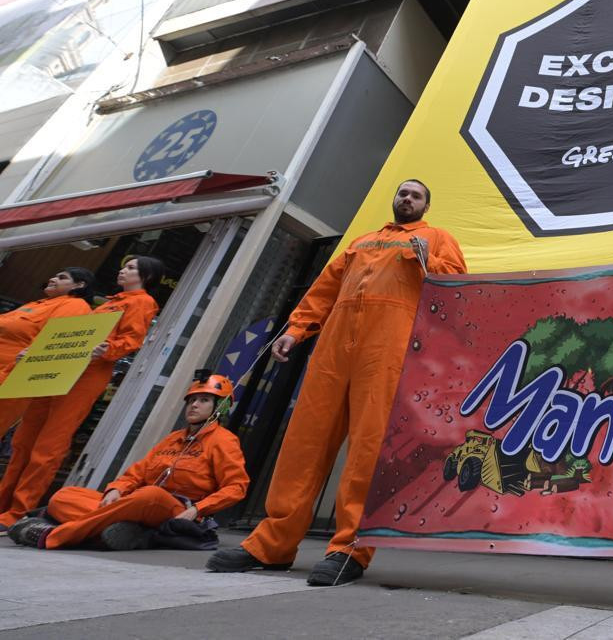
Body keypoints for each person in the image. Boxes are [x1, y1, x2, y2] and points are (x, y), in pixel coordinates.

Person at [207, 179, 466, 585]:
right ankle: (271, 544)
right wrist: (296, 329)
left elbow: (455, 287)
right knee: (303, 443)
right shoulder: (360, 242)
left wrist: (427, 261)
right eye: (403, 193)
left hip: (388, 351)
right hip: (333, 349)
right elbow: (323, 290)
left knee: (368, 448)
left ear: (426, 205)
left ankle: (350, 550)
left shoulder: (436, 238)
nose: (407, 199)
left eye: (416, 195)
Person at [0, 256, 162, 529]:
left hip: (86, 376)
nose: (124, 270)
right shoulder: (108, 303)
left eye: (132, 268)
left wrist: (107, 350)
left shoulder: (141, 302)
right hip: (59, 370)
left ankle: (17, 511)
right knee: (23, 441)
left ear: (146, 276)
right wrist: (37, 352)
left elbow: (132, 340)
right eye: (125, 266)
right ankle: (3, 503)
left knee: (47, 447)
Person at [7, 369, 248, 551]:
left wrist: (197, 510)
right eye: (192, 400)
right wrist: (115, 488)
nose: (194, 405)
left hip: (176, 510)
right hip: (137, 504)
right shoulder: (173, 438)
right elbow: (138, 472)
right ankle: (128, 532)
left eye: (204, 400)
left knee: (149, 495)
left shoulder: (223, 441)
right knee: (65, 495)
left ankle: (53, 535)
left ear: (220, 407)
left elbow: (236, 487)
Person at [0, 267, 96, 435]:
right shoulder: (38, 304)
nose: (52, 279)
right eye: (54, 275)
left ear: (79, 285)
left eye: (62, 277)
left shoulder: (75, 306)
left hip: (10, 379)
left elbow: (50, 346)